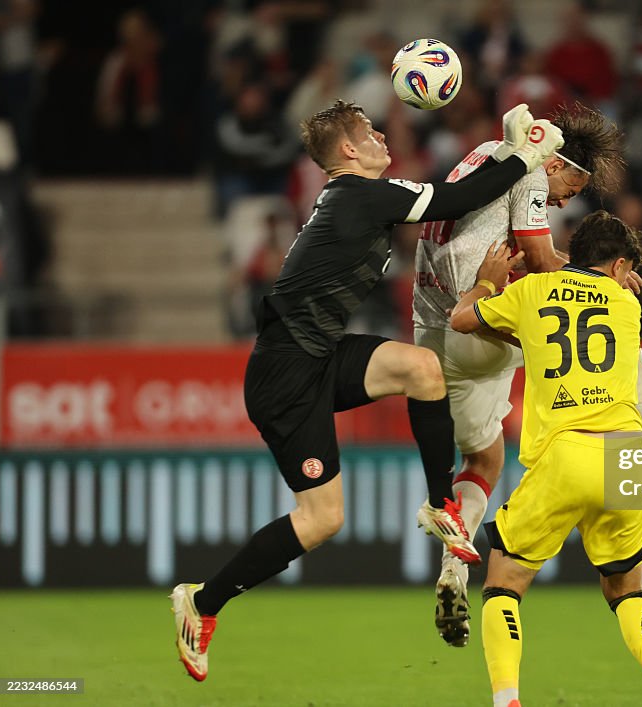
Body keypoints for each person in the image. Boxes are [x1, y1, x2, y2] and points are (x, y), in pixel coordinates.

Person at [169, 100, 564, 682]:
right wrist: (524, 155)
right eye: (371, 132)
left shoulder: (357, 196)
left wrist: (512, 153)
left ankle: (441, 505)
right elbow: (456, 200)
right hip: (285, 376)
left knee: (423, 370)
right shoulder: (359, 194)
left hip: (318, 353)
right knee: (323, 519)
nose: (382, 136)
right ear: (350, 151)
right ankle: (202, 604)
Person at [412, 103, 642, 647]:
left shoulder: (486, 157)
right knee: (605, 318)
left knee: (484, 460)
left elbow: (536, 254)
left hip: (434, 335)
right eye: (571, 191)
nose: (562, 202)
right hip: (472, 320)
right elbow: (536, 253)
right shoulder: (531, 169)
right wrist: (606, 284)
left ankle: (454, 565)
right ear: (557, 166)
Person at [451, 210, 642, 707]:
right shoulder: (627, 304)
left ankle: (508, 699)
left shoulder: (532, 293)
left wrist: (484, 284)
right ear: (621, 265)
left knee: (504, 582)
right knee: (626, 588)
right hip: (624, 455)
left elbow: (462, 321)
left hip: (565, 451)